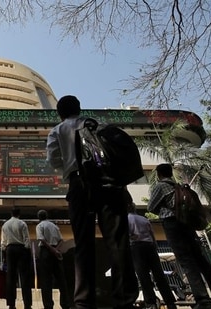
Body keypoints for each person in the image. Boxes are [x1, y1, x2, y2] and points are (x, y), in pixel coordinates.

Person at [46, 95, 138, 309]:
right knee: (117, 242)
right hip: (110, 185)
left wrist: (70, 166)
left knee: (83, 243)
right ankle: (124, 299)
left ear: (60, 113)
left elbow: (53, 160)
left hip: (79, 185)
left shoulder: (57, 131)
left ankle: (83, 301)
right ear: (79, 108)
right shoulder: (99, 125)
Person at [148, 163, 211, 309]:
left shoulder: (161, 186)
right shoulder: (179, 187)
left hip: (172, 225)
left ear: (159, 174)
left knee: (187, 263)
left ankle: (203, 301)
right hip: (187, 224)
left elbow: (150, 207)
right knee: (202, 262)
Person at [127, 198, 177, 309]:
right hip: (150, 247)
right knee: (159, 275)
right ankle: (170, 302)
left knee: (143, 276)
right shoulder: (144, 219)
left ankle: (151, 303)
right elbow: (152, 235)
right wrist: (154, 246)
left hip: (136, 247)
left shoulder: (127, 219)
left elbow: (129, 234)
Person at [35, 209, 72, 309]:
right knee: (61, 280)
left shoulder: (39, 226)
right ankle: (65, 304)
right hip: (56, 251)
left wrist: (51, 249)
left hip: (46, 252)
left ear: (39, 218)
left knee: (46, 280)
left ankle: (48, 305)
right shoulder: (54, 226)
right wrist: (56, 250)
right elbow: (61, 240)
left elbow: (42, 240)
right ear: (46, 216)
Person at [1, 207, 33, 309]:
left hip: (9, 250)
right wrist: (28, 252)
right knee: (25, 278)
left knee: (10, 278)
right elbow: (27, 239)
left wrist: (4, 255)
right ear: (19, 214)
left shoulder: (5, 225)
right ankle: (27, 304)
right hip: (21, 249)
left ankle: (11, 304)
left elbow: (3, 242)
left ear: (11, 213)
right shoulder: (22, 224)